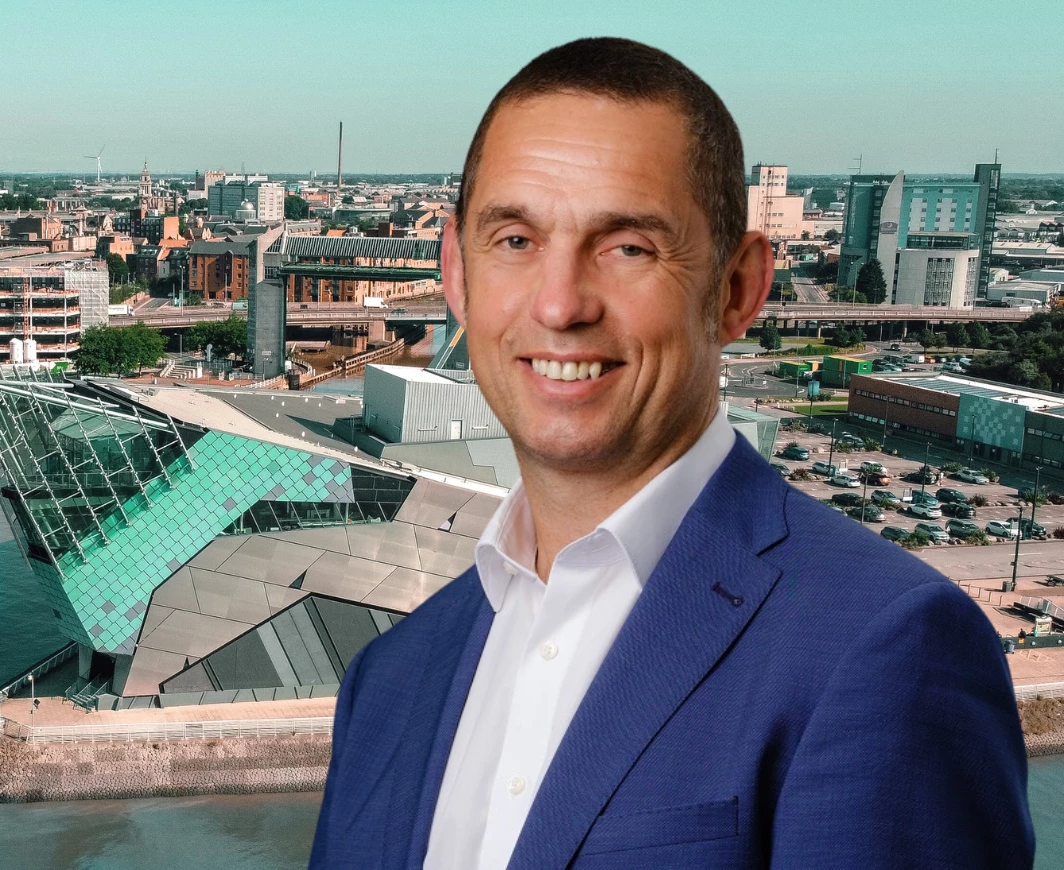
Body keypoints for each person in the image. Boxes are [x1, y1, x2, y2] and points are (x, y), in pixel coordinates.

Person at [311, 38, 1031, 869]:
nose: (560, 303)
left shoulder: (883, 651)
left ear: (736, 291)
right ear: (457, 275)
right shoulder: (389, 681)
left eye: (628, 247)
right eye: (515, 240)